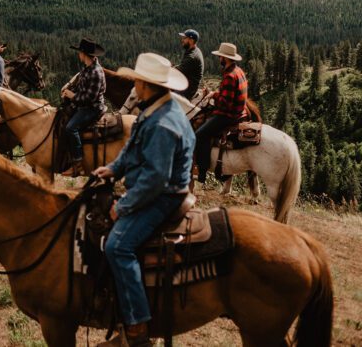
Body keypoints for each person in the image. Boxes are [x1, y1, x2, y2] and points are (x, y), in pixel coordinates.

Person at [92, 53, 195, 347]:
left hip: (164, 197)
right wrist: (114, 168)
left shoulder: (163, 123)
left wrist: (121, 206)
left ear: (146, 85)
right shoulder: (152, 110)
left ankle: (137, 332)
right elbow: (132, 149)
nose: (134, 84)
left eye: (137, 80)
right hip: (152, 190)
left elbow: (155, 179)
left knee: (118, 246)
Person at [194, 42, 248, 184]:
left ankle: (202, 171)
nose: (219, 59)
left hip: (229, 116)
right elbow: (230, 94)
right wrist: (216, 93)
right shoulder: (239, 71)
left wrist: (213, 96)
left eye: (221, 57)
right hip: (240, 112)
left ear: (225, 58)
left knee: (200, 135)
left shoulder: (229, 76)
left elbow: (225, 103)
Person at [60, 38, 107, 176]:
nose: (78, 55)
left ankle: (78, 164)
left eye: (80, 52)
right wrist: (69, 92)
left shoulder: (96, 72)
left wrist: (72, 96)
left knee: (70, 128)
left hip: (93, 107)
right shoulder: (87, 69)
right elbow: (82, 89)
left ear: (84, 54)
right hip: (84, 104)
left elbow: (89, 98)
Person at [175, 29, 204, 100]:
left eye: (184, 38)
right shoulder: (193, 50)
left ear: (191, 40)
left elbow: (178, 72)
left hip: (187, 89)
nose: (182, 40)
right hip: (188, 85)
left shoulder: (192, 56)